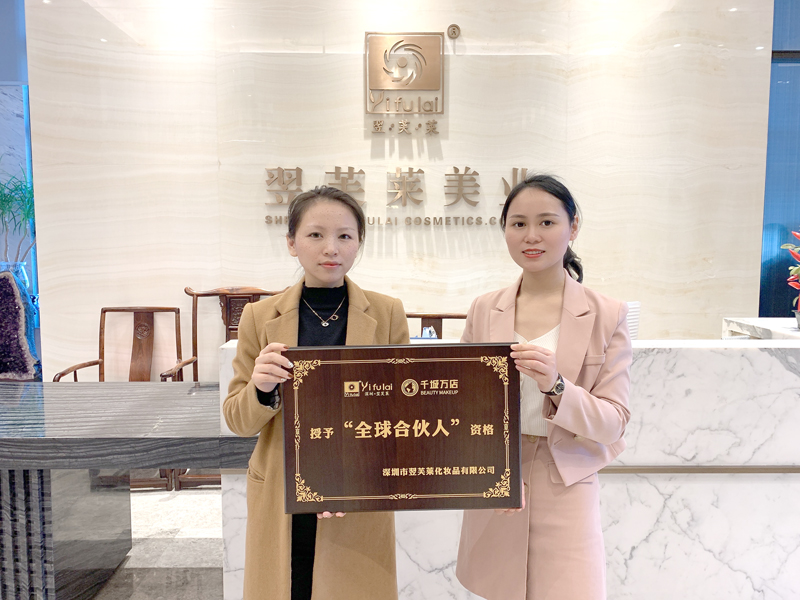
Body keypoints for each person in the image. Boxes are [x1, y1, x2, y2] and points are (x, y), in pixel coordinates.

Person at [223, 186, 409, 600]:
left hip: (358, 491)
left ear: (359, 242)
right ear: (292, 243)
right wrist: (262, 388)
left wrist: (351, 477)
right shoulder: (259, 316)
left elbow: (401, 416)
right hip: (282, 489)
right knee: (290, 585)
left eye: (345, 236)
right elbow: (238, 420)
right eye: (315, 235)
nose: (331, 248)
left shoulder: (386, 313)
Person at [455, 174, 632, 600]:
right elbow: (461, 405)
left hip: (566, 480)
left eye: (547, 222)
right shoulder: (484, 308)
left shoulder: (607, 313)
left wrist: (557, 386)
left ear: (573, 227)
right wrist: (487, 471)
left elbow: (614, 423)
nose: (531, 236)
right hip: (497, 479)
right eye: (518, 224)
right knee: (498, 588)